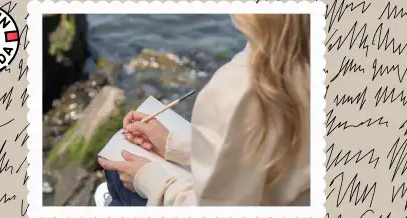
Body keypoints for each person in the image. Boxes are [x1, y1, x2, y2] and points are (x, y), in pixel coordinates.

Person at [98, 14, 311, 206]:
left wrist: (149, 179)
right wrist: (176, 146)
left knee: (116, 176)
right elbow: (263, 159)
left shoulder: (238, 88)